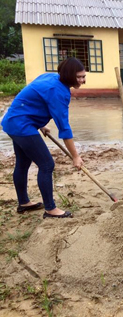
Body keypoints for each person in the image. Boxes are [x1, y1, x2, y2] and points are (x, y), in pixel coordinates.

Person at [1, 58, 86, 218]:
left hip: (14, 121)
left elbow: (31, 99)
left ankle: (24, 203)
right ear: (69, 75)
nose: (83, 81)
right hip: (22, 126)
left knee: (23, 163)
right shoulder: (59, 91)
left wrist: (39, 124)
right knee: (47, 164)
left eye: (83, 76)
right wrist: (75, 156)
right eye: (79, 77)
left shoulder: (51, 77)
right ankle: (50, 209)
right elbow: (64, 128)